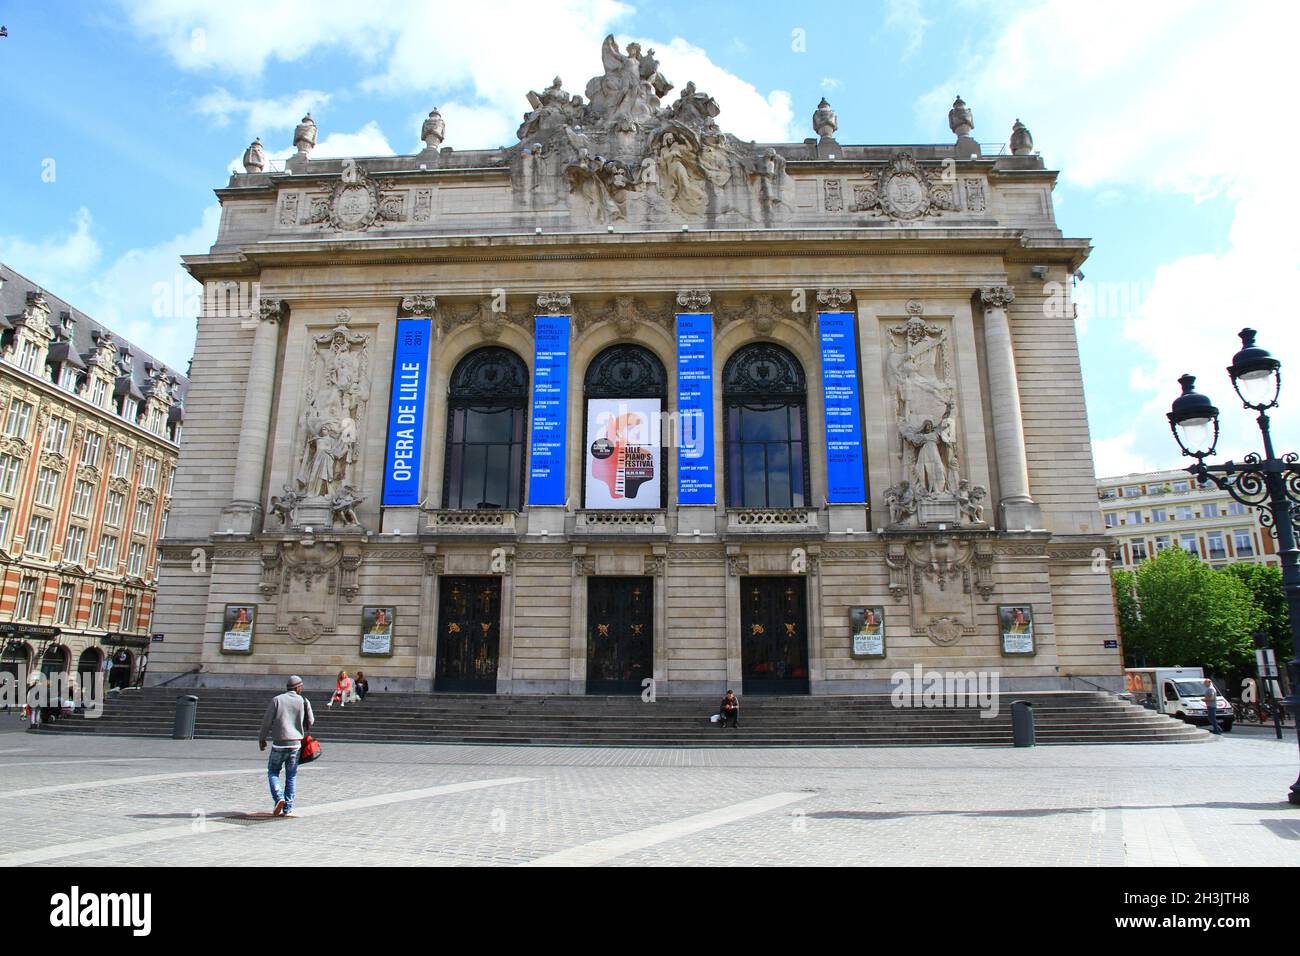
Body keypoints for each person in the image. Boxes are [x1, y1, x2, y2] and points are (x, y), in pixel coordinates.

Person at [259, 675, 314, 817]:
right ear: (298, 687)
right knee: (291, 776)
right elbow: (311, 721)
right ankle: (288, 808)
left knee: (273, 771)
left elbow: (266, 722)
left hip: (279, 744)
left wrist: (262, 739)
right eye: (301, 686)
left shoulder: (277, 700)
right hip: (296, 745)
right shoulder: (303, 700)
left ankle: (279, 797)